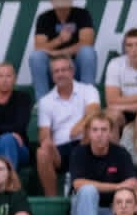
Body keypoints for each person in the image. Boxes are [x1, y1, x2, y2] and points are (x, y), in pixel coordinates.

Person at [69, 113, 137, 215]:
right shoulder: (79, 153)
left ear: (110, 132)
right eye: (95, 130)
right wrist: (117, 186)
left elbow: (133, 184)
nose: (99, 134)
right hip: (82, 211)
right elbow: (78, 184)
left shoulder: (120, 153)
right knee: (88, 190)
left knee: (133, 203)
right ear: (88, 133)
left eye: (104, 130)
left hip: (111, 211)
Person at [35, 55, 101, 197]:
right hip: (60, 149)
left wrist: (80, 125)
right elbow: (44, 132)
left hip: (85, 143)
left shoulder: (88, 90)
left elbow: (94, 111)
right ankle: (52, 200)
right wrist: (46, 142)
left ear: (72, 71)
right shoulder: (45, 101)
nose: (60, 74)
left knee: (93, 130)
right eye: (56, 71)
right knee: (41, 152)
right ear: (52, 76)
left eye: (64, 70)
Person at [28, 0, 97, 100]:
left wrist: (60, 53)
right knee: (36, 56)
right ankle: (42, 101)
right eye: (59, 6)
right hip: (53, 67)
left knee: (88, 52)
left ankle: (89, 99)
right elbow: (39, 47)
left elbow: (87, 42)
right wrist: (59, 40)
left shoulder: (82, 14)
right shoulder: (44, 18)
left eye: (65, 5)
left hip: (74, 66)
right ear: (52, 2)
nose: (62, 9)